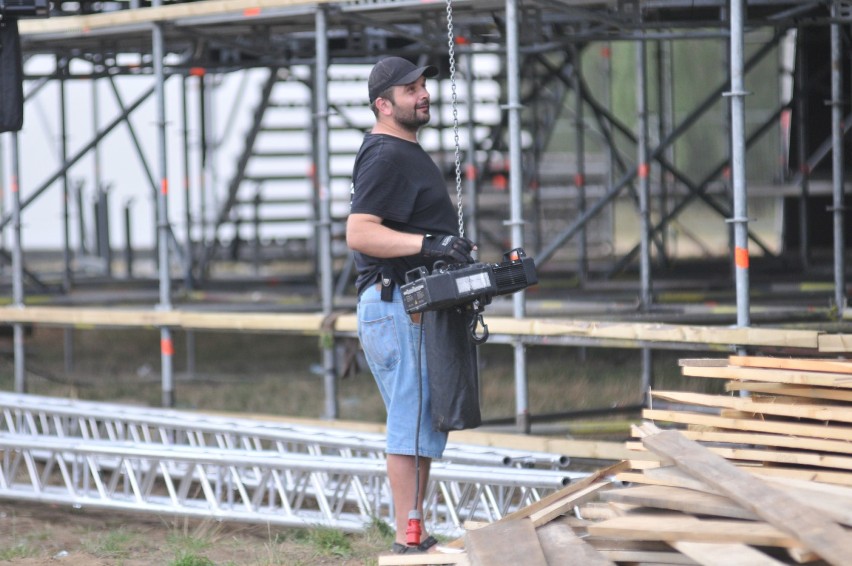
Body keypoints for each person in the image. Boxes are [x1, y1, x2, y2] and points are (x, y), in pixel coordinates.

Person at [346, 56, 476, 554]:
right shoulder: (387, 155)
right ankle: (408, 539)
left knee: (421, 421)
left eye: (423, 85)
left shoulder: (402, 151)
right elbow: (361, 232)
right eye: (410, 90)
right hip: (397, 304)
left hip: (405, 304)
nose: (423, 94)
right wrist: (430, 246)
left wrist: (447, 249)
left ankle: (415, 532)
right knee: (411, 420)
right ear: (384, 104)